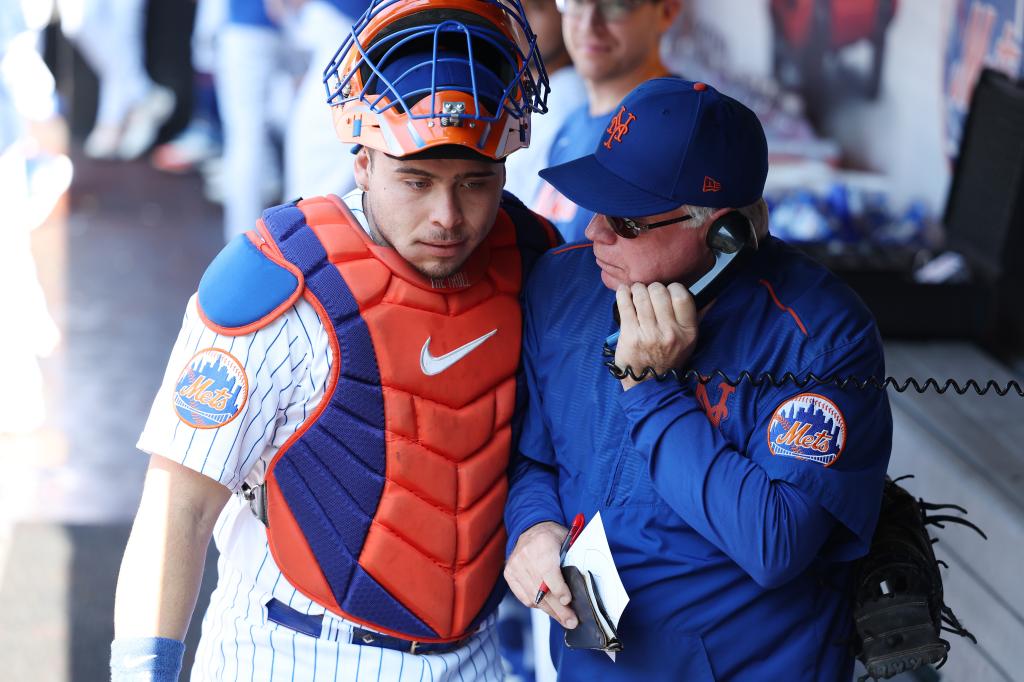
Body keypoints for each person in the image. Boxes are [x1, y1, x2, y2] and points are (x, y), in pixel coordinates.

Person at [109, 1, 557, 680]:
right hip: (290, 651)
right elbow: (180, 503)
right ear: (363, 161)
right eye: (416, 180)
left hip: (473, 655)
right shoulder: (279, 279)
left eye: (475, 183)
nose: (447, 216)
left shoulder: (532, 262)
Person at [503, 77, 893, 680]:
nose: (595, 232)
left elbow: (775, 542)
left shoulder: (821, 334)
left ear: (724, 234)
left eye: (628, 223)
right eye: (598, 205)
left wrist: (651, 390)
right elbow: (535, 460)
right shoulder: (563, 286)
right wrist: (531, 527)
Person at [531, 0, 681, 241]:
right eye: (577, 2)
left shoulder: (678, 128)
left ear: (666, 12)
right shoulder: (572, 124)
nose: (589, 25)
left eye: (615, 5)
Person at [502, 0, 585, 203]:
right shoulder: (526, 89)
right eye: (511, 5)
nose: (517, 18)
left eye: (537, 6)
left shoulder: (570, 95)